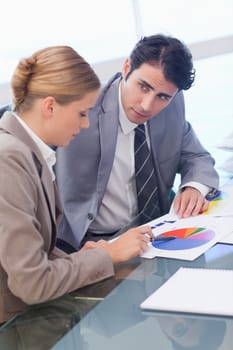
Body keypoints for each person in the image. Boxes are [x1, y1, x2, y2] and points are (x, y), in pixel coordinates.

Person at [0, 45, 154, 324]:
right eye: (82, 113)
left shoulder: (28, 151)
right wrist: (107, 256)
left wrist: (85, 258)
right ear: (50, 106)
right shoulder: (8, 157)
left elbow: (40, 252)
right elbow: (32, 282)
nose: (85, 125)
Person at [55, 34, 219, 253]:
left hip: (157, 232)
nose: (147, 105)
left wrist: (192, 187)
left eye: (162, 96)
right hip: (95, 242)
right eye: (143, 86)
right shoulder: (81, 109)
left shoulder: (172, 105)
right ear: (126, 67)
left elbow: (197, 156)